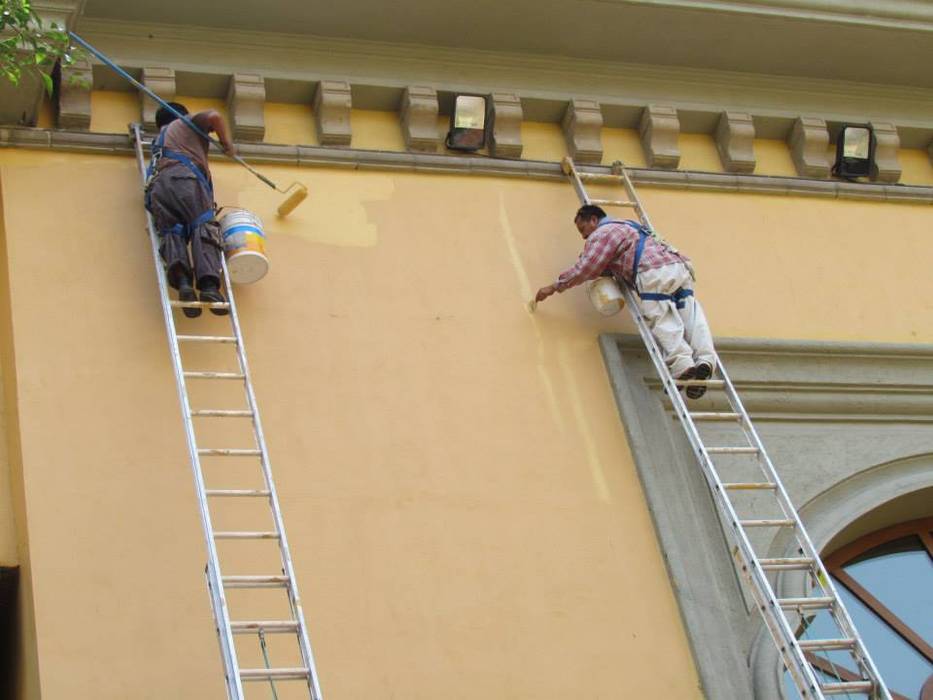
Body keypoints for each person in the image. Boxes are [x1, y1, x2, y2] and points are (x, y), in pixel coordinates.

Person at [535, 205, 716, 399]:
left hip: (652, 272)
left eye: (582, 229)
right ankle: (705, 359)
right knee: (691, 314)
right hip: (679, 267)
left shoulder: (603, 233)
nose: (583, 236)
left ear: (593, 220)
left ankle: (682, 365)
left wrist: (554, 287)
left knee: (661, 317)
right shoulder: (628, 225)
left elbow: (586, 268)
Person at [145, 102, 236, 318]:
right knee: (202, 225)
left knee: (172, 232)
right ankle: (209, 287)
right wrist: (226, 143)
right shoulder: (184, 122)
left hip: (159, 188)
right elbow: (214, 116)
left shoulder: (158, 143)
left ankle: (184, 284)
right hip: (184, 180)